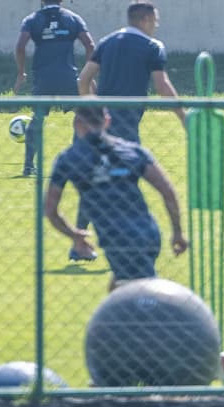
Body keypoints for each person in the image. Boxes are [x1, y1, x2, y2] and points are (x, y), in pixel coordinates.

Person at [43, 105, 188, 290]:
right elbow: (167, 191)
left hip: (117, 239)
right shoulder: (133, 151)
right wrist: (177, 231)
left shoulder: (69, 159)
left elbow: (50, 209)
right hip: (149, 234)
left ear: (76, 122)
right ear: (107, 121)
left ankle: (170, 312)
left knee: (141, 293)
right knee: (118, 287)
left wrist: (74, 235)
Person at [14, 0, 95, 177]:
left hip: (43, 78)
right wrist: (88, 74)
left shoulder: (32, 19)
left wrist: (21, 72)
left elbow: (20, 45)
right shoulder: (73, 19)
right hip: (68, 76)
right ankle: (78, 160)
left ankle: (28, 165)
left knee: (38, 118)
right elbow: (90, 45)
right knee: (82, 115)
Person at [77, 0, 185, 142]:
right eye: (155, 21)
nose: (156, 26)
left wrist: (90, 110)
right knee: (132, 161)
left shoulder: (106, 41)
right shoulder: (153, 47)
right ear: (146, 20)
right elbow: (162, 86)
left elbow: (84, 79)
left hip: (99, 120)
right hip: (126, 122)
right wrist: (183, 117)